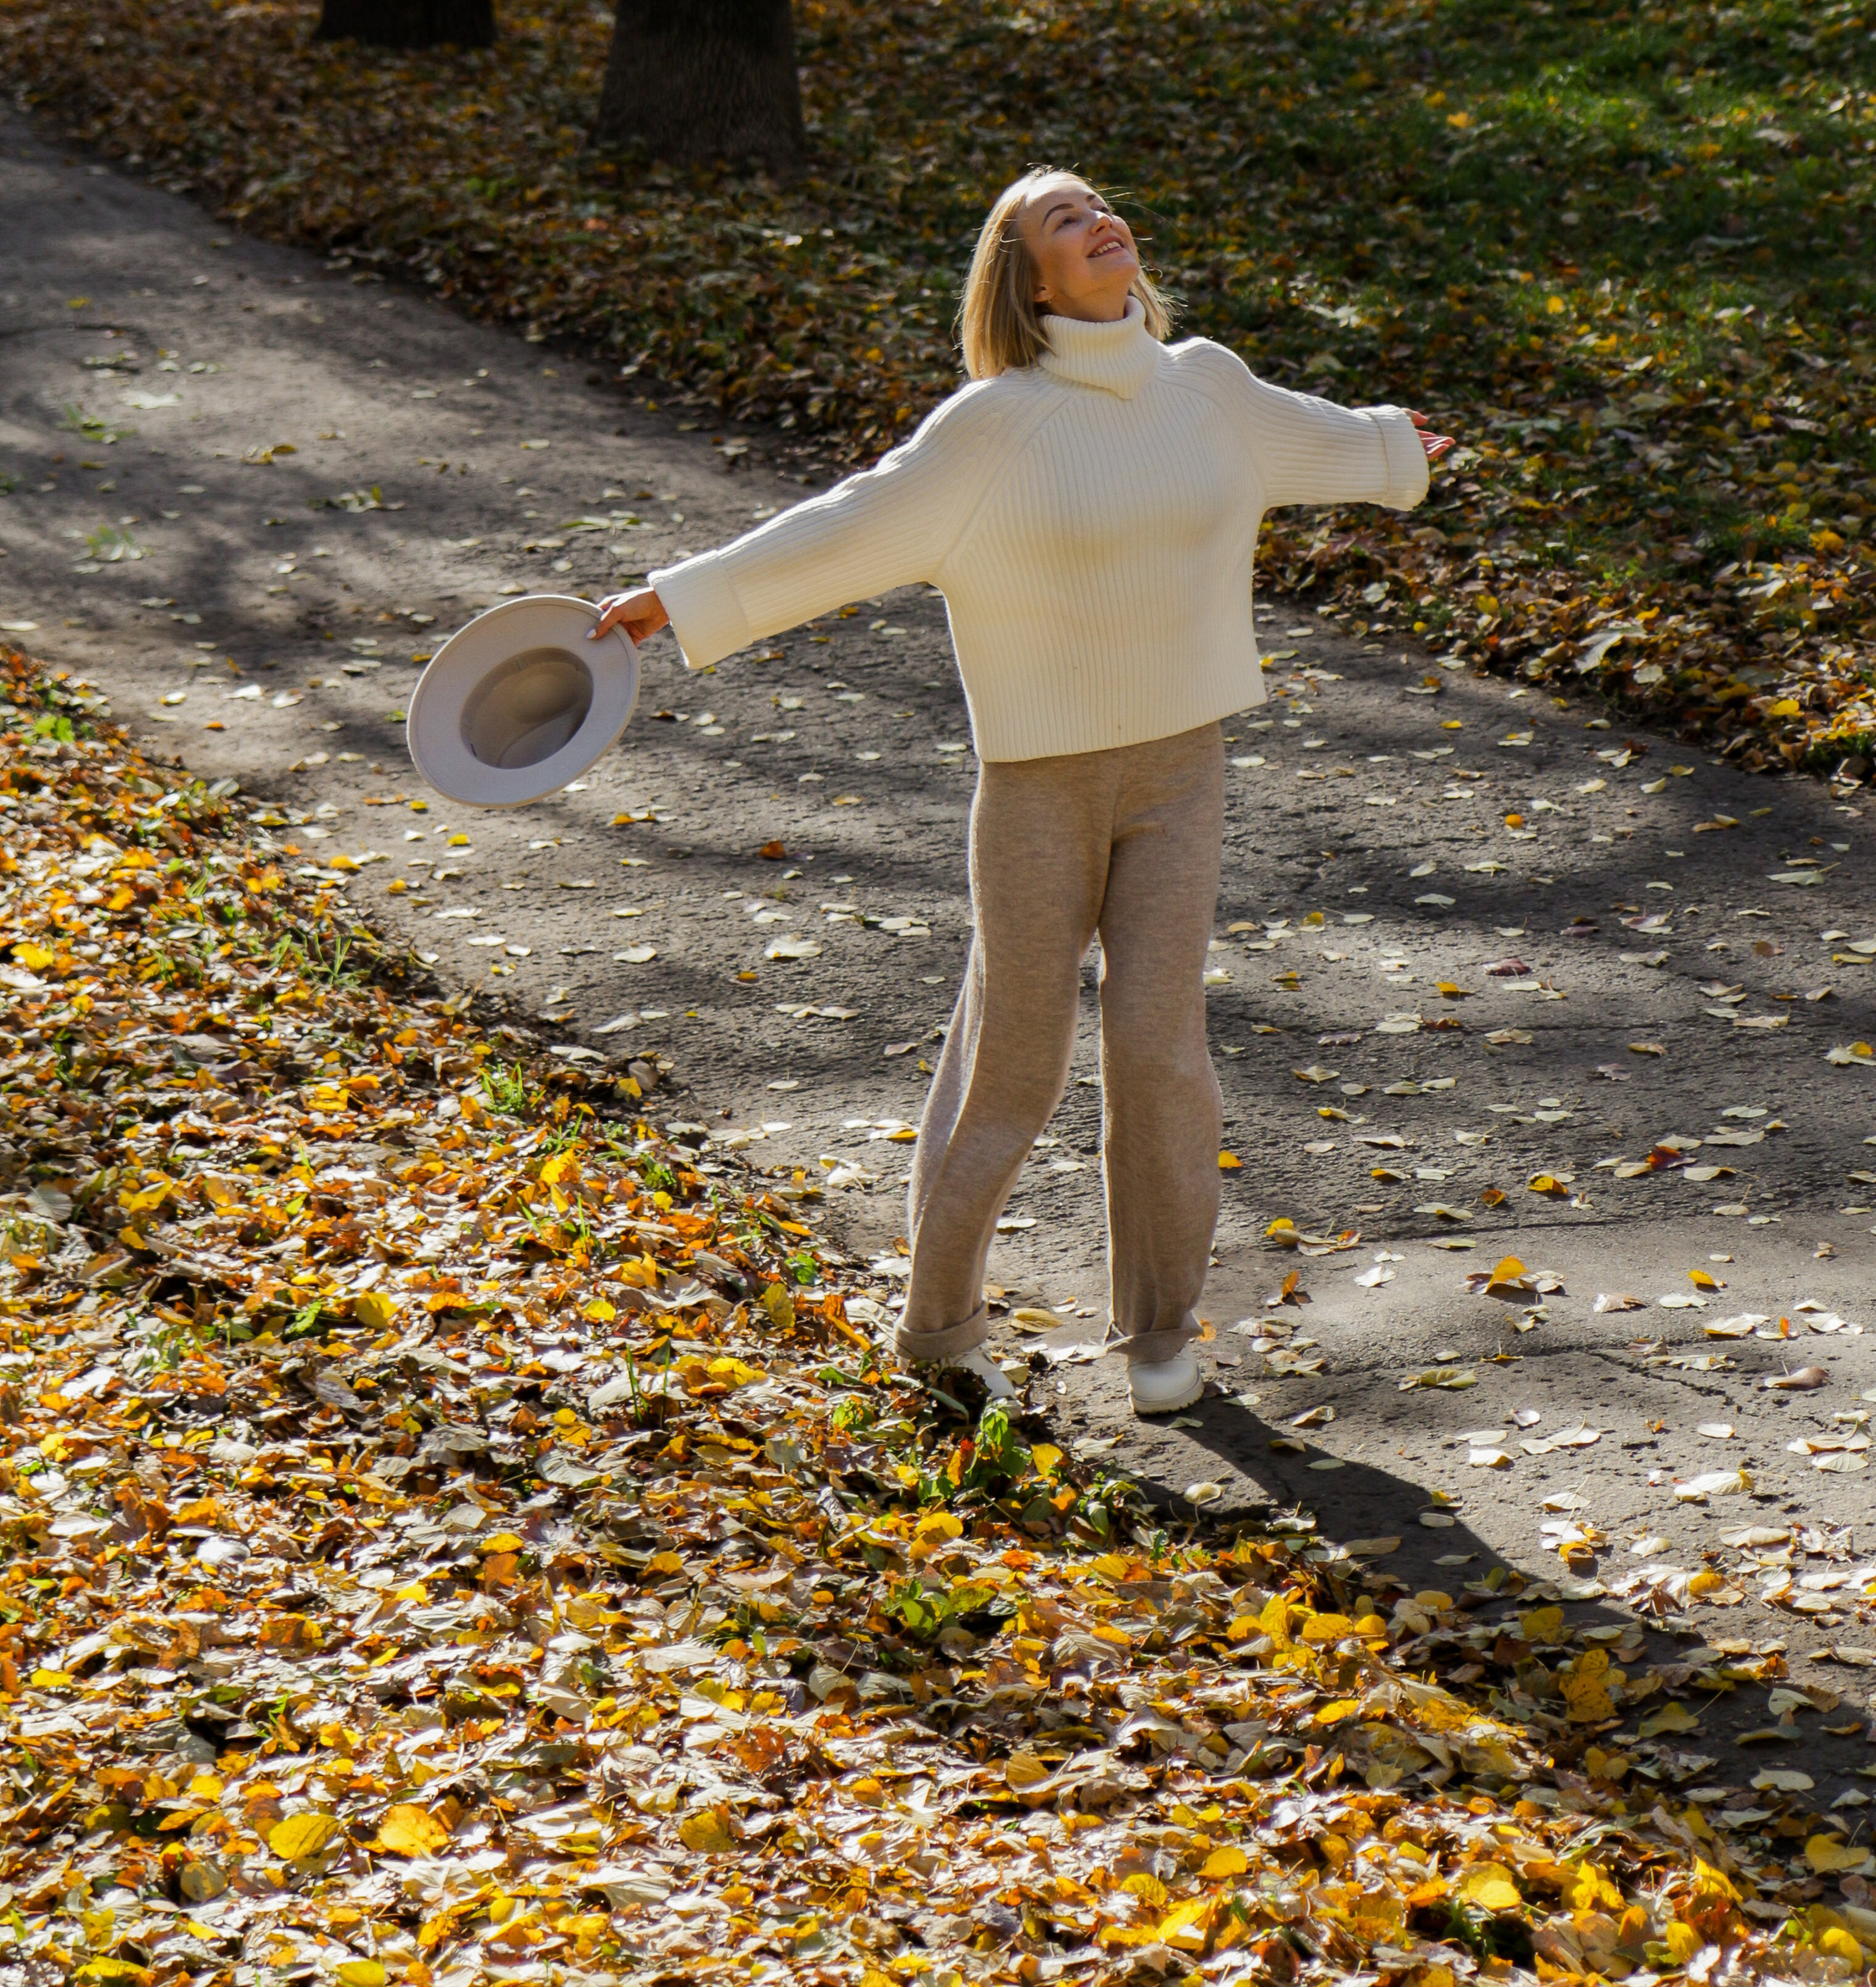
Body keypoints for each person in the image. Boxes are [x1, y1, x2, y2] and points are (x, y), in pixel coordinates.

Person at [591, 170, 1454, 1416]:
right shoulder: (992, 427)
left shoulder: (1203, 384)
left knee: (1161, 1052)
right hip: (1040, 789)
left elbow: (1324, 439)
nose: (1101, 220)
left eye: (1104, 204)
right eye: (1064, 218)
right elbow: (846, 527)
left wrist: (1392, 447)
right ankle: (939, 1329)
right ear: (1029, 276)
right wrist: (680, 596)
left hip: (1181, 771)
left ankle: (1161, 1331)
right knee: (1016, 1068)